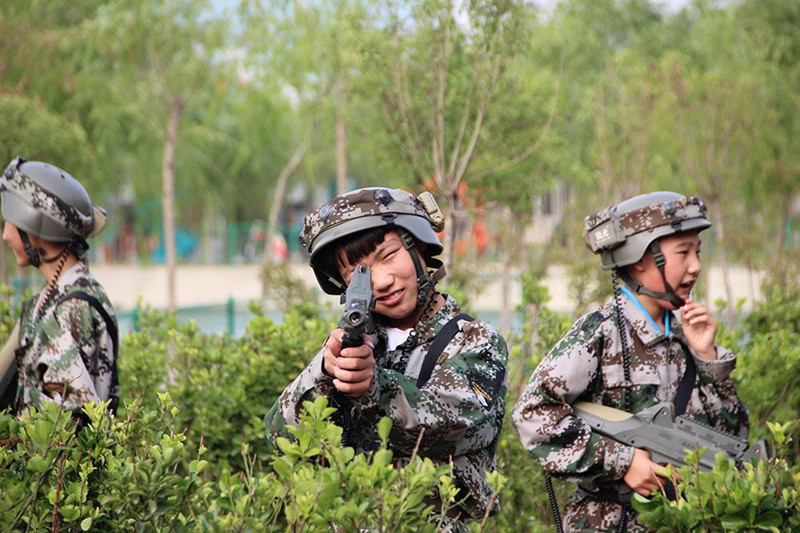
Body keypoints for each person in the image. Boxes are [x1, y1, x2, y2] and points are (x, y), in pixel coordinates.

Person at [264, 187, 508, 525]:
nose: (381, 281)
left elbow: (455, 424)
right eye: (357, 274)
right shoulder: (357, 342)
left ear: (418, 245)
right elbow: (282, 437)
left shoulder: (474, 341)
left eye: (389, 255)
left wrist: (373, 387)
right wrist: (324, 373)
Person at [512, 192, 749, 532]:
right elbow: (532, 414)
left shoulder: (686, 339)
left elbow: (732, 437)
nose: (696, 266)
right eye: (683, 252)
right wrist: (622, 461)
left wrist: (708, 359)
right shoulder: (601, 332)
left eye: (698, 252)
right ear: (640, 258)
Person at [0, 157, 119, 416]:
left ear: (32, 226)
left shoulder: (73, 309)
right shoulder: (54, 298)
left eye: (8, 222)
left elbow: (66, 427)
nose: (5, 234)